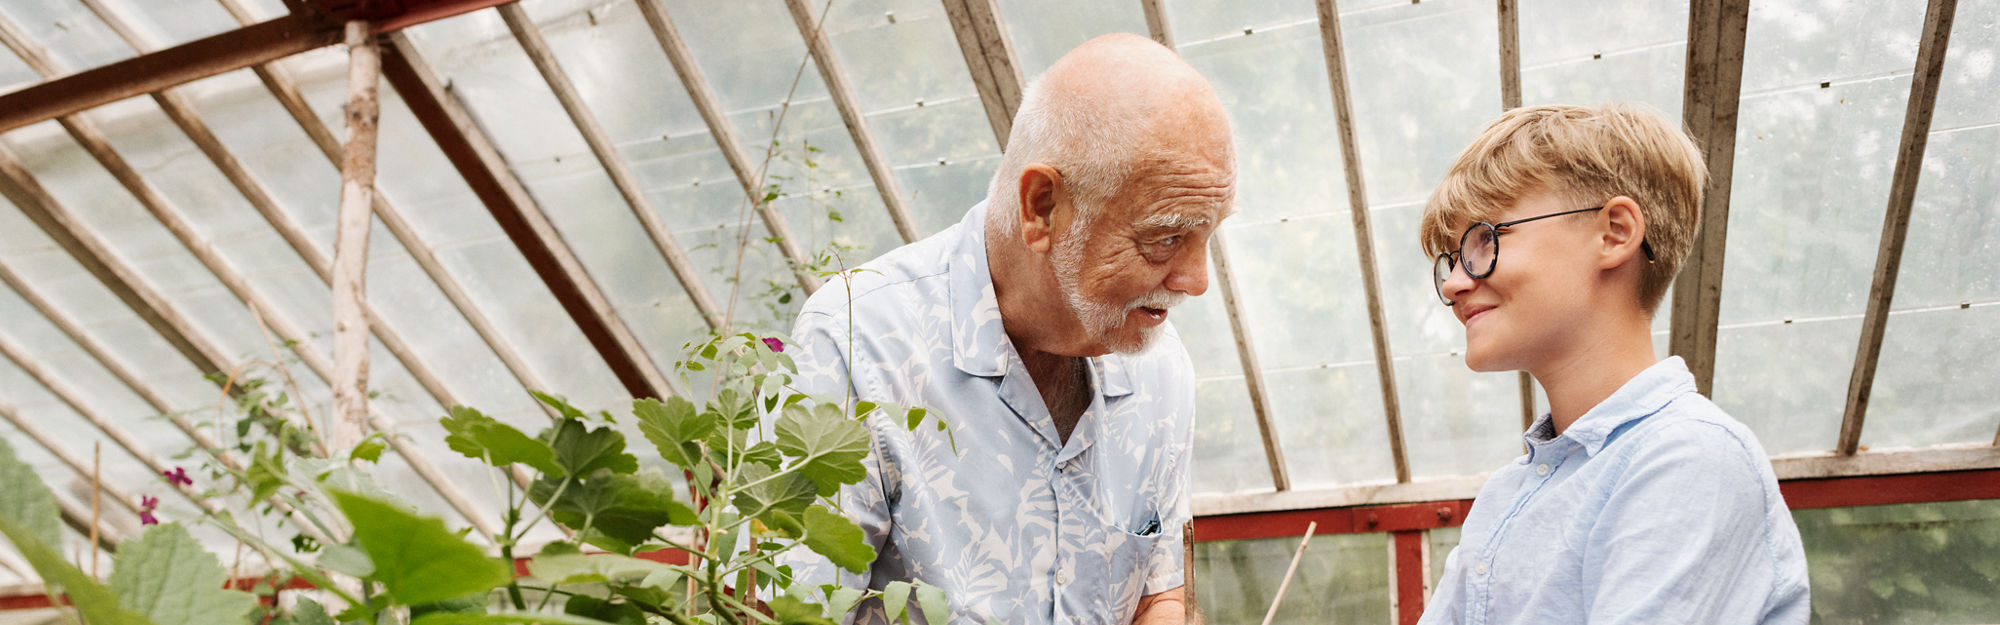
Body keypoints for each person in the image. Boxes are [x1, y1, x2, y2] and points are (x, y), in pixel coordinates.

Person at [780, 33, 1234, 625]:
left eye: (1210, 234)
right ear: (1042, 206)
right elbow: (788, 613)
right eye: (1165, 237)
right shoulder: (854, 345)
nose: (1197, 280)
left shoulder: (1158, 363)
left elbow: (1158, 592)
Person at [1414, 103, 1810, 624]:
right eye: (1450, 259)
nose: (1452, 283)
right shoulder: (1507, 495)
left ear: (1615, 233)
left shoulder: (1686, 459)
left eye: (1485, 239)